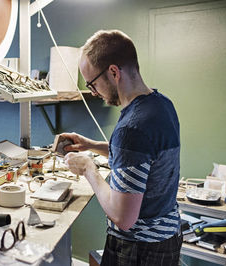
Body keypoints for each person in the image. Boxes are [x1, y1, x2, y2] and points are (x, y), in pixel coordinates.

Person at [62, 30, 182, 265]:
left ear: (114, 72)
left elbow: (122, 216)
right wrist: (91, 145)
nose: (94, 93)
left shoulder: (132, 128)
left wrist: (88, 169)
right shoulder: (161, 105)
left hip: (139, 249)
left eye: (92, 84)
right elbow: (144, 159)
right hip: (166, 238)